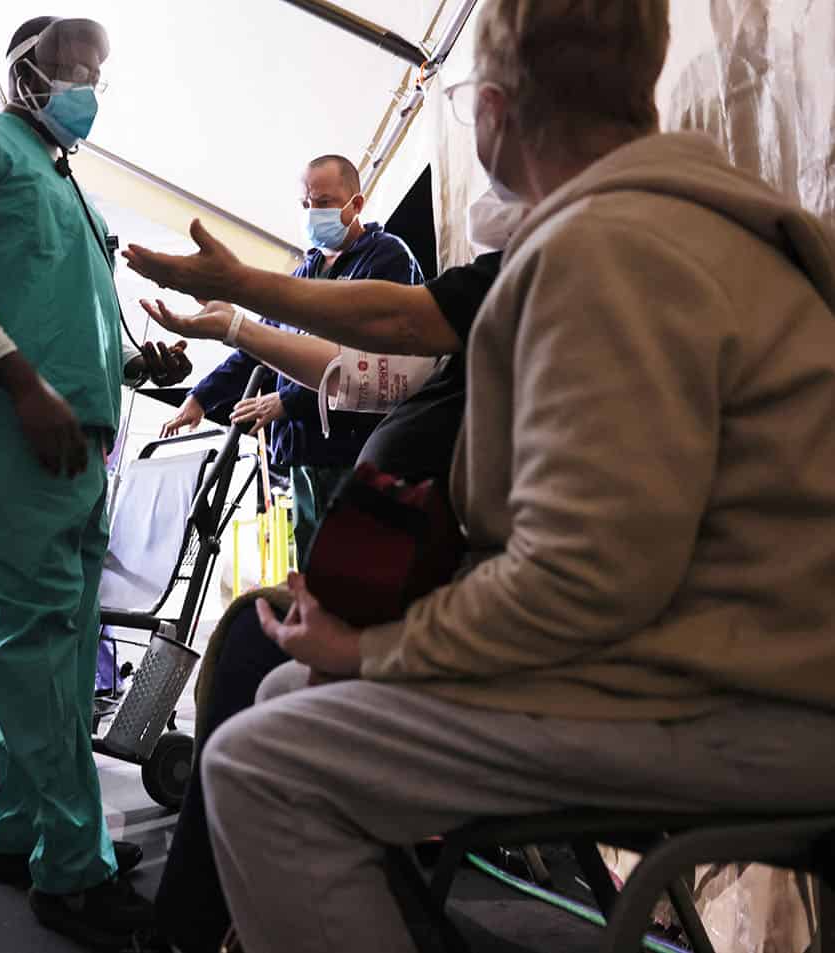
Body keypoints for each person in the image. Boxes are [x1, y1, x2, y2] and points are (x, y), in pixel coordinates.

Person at [197, 2, 835, 951]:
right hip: (732, 667)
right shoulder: (700, 223)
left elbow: (583, 580)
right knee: (290, 698)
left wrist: (373, 647)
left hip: (744, 704)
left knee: (260, 762)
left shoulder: (607, 250)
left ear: (492, 113)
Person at [132, 203, 519, 951]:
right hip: (432, 588)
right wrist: (237, 324)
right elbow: (365, 371)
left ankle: (187, 930)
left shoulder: (559, 273)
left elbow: (394, 324)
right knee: (257, 647)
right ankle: (206, 923)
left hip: (470, 616)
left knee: (256, 666)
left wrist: (243, 291)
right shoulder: (504, 305)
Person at [0, 15, 192, 948]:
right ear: (26, 69)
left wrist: (136, 362)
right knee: (37, 636)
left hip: (78, 438)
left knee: (62, 643)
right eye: (71, 68)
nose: (86, 87)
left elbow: (71, 306)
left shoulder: (75, 189)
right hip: (7, 422)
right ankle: (73, 874)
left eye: (97, 73)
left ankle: (25, 829)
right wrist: (20, 379)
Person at [159, 155, 425, 564]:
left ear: (356, 204)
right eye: (306, 204)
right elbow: (260, 344)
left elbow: (377, 361)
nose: (313, 213)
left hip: (353, 452)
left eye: (324, 201)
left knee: (356, 576)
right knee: (308, 575)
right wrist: (201, 397)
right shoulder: (306, 272)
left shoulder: (387, 258)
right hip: (300, 455)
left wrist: (288, 401)